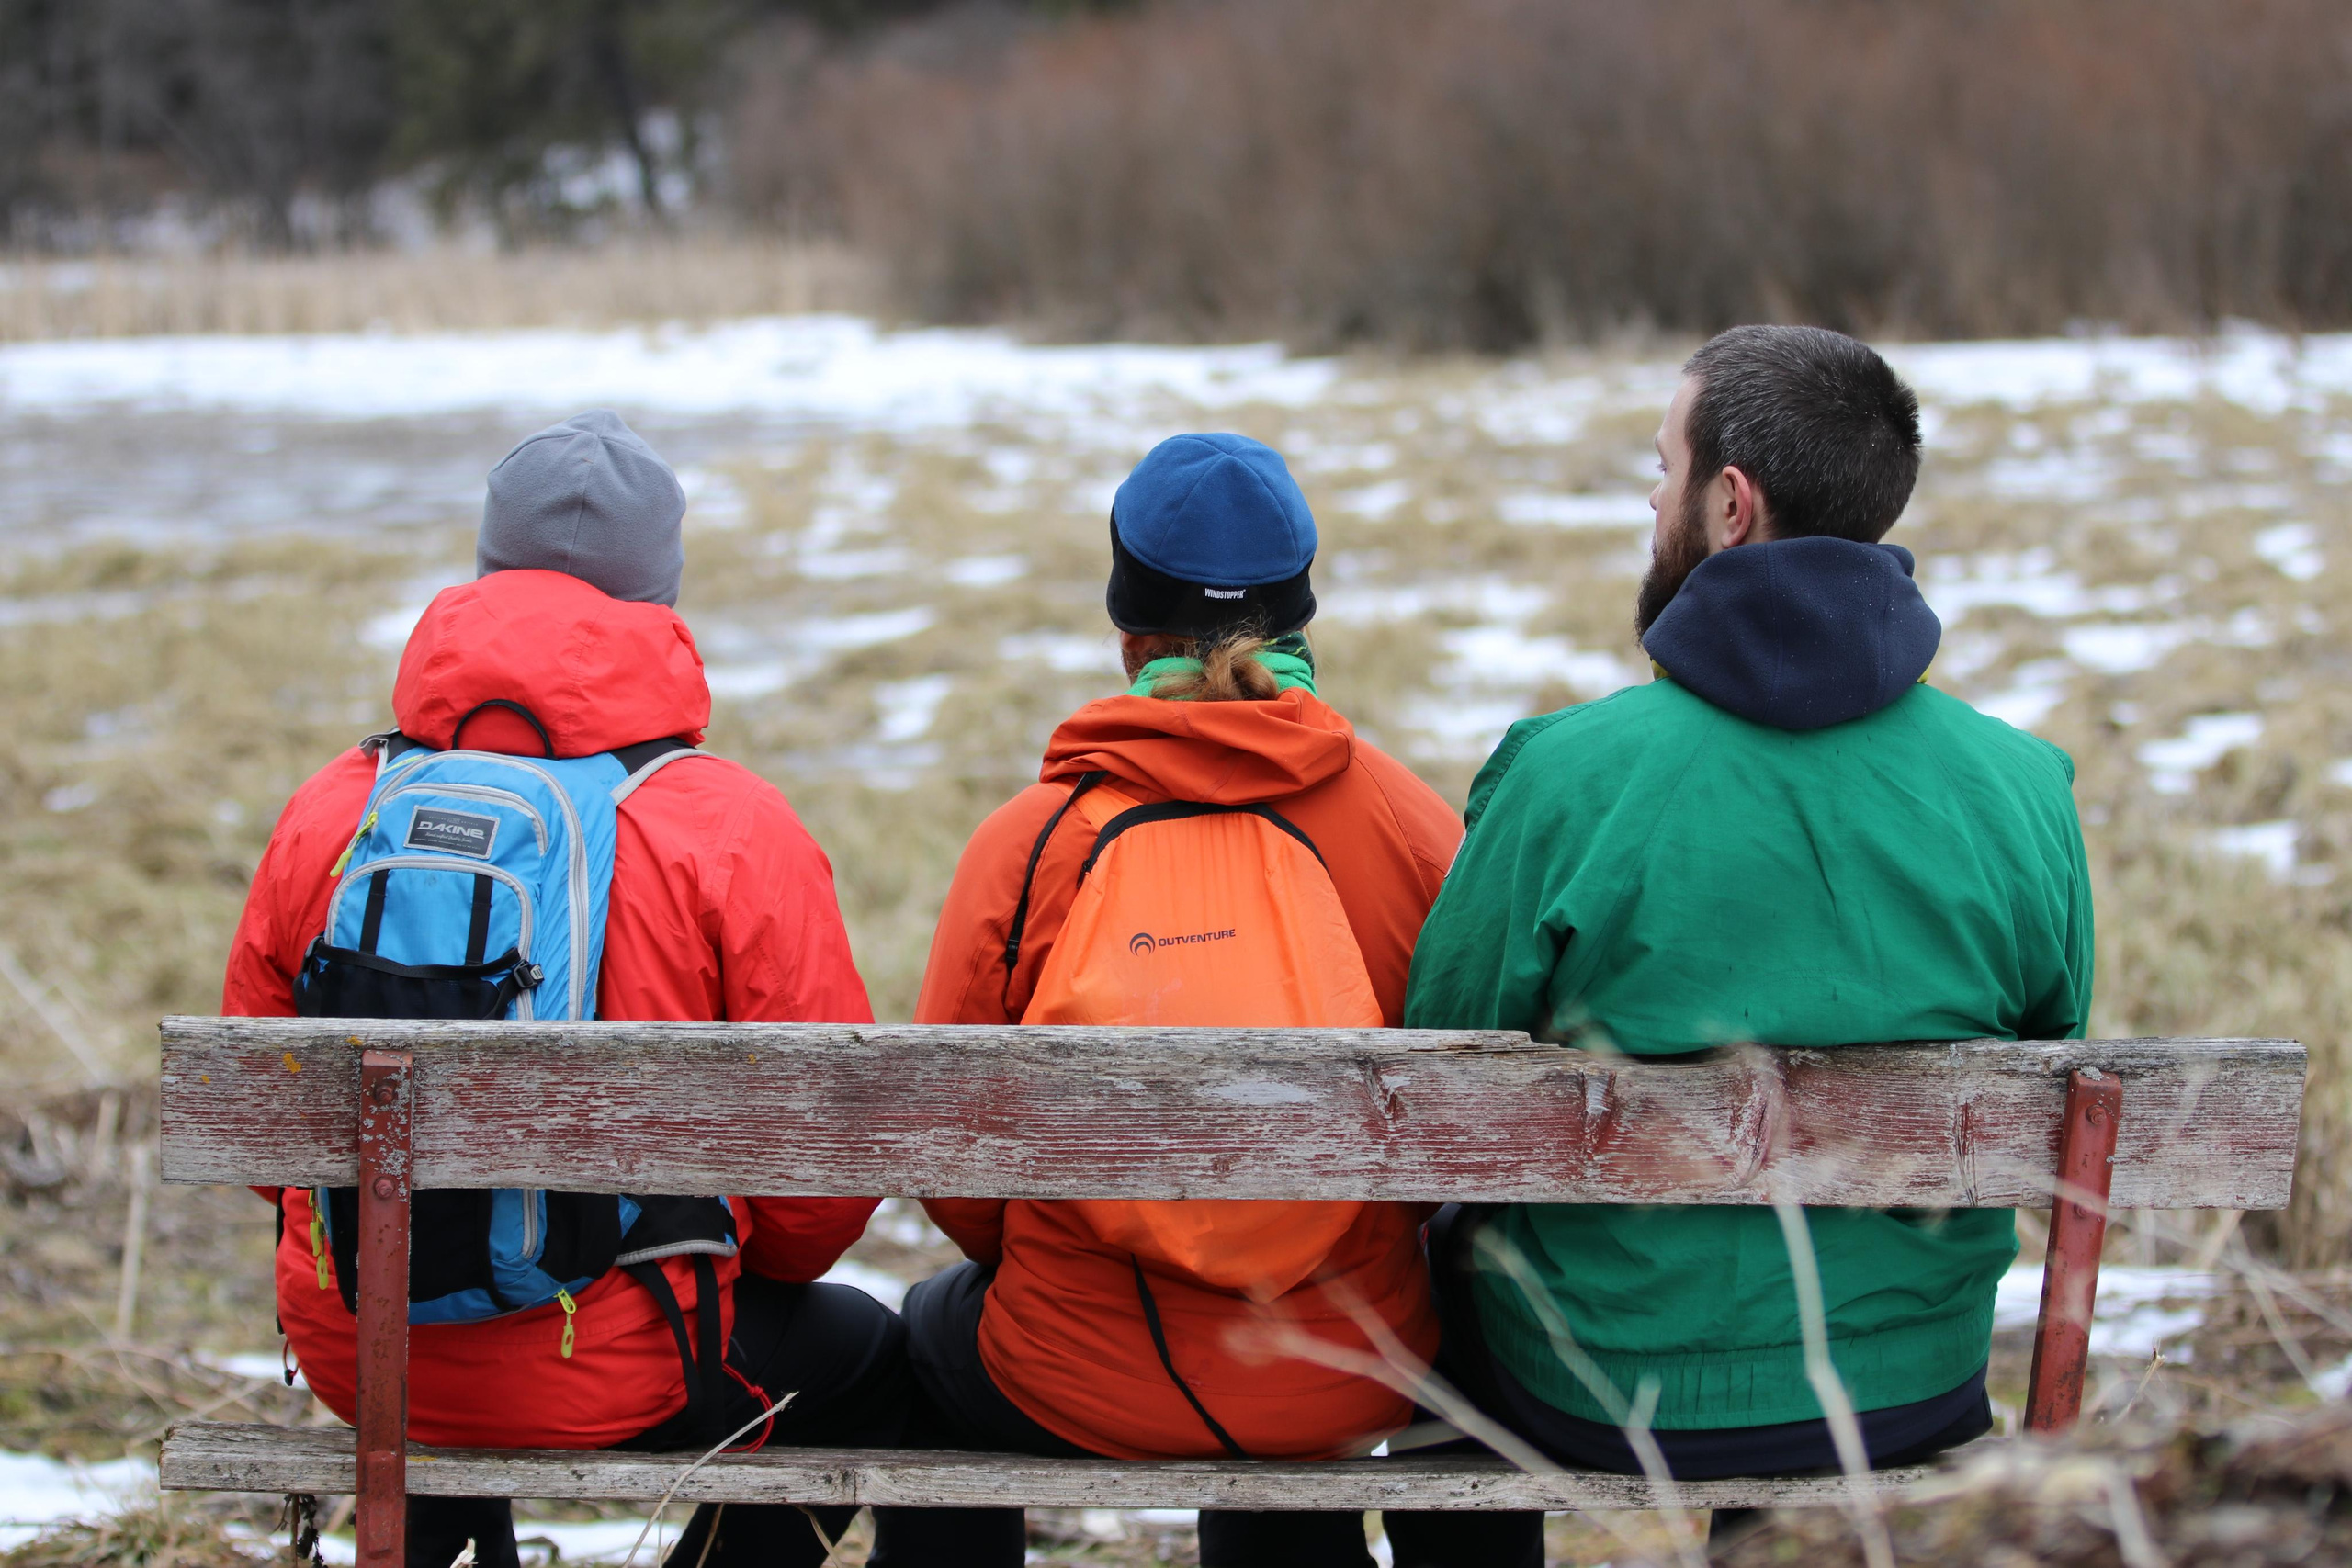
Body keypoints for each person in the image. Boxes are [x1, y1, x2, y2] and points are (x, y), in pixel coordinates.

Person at [1395, 326, 2095, 1563]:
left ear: (1730, 503)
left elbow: (1437, 1071)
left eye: (1660, 467)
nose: (1649, 497)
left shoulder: (1566, 779)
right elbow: (2053, 1045)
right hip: (1905, 1377)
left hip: (1603, 1381)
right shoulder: (2022, 790)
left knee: (1433, 1307)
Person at [221, 411, 909, 1568]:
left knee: (440, 1308)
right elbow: (819, 1183)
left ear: (485, 571)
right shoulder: (728, 824)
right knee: (873, 1369)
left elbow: (259, 1134)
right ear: (662, 596)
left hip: (363, 1349)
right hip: (634, 1361)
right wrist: (723, 1266)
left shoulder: (336, 806)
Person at [892, 434, 1464, 1568]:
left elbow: (952, 1159)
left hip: (1076, 1368)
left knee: (915, 1346)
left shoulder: (1032, 840)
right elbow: (1465, 1138)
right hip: (1344, 1370)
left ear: (1128, 630)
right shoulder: (1410, 827)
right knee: (1285, 1422)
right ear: (1301, 619)